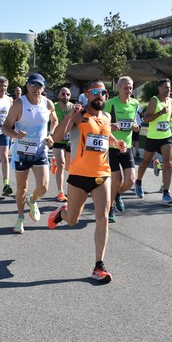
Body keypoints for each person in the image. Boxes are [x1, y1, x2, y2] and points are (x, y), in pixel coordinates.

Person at [47, 80, 127, 283]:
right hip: (78, 176)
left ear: (106, 96)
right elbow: (57, 136)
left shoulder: (107, 117)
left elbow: (104, 136)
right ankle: (62, 213)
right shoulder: (79, 115)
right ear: (86, 94)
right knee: (72, 220)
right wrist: (70, 117)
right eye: (95, 91)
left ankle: (98, 266)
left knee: (103, 217)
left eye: (103, 92)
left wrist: (116, 142)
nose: (99, 95)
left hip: (102, 174)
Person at [1, 73, 58, 234]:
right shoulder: (19, 104)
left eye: (39, 86)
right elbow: (5, 127)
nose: (36, 88)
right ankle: (20, 218)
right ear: (27, 86)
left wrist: (50, 135)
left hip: (40, 151)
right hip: (21, 152)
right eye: (33, 85)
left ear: (44, 88)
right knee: (21, 188)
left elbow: (55, 120)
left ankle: (32, 201)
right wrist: (15, 135)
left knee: (44, 186)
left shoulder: (48, 104)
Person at [104, 76, 140, 223]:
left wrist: (135, 126)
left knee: (131, 180)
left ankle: (116, 194)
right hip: (112, 147)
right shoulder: (109, 104)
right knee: (116, 179)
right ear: (118, 88)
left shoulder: (135, 104)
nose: (129, 90)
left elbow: (133, 120)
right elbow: (100, 123)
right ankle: (110, 207)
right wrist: (109, 126)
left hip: (127, 147)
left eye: (131, 87)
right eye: (125, 88)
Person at [134, 78, 172, 205]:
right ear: (159, 88)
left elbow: (169, 116)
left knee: (168, 164)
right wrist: (160, 113)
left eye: (169, 87)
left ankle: (166, 193)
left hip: (166, 136)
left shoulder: (170, 101)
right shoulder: (154, 100)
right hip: (153, 137)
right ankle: (138, 182)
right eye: (165, 87)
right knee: (146, 162)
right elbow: (146, 119)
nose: (168, 90)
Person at [51, 87, 73, 202]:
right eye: (63, 94)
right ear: (59, 95)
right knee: (62, 164)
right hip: (57, 140)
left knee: (69, 167)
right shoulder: (54, 107)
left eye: (68, 94)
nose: (66, 96)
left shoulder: (73, 108)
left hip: (69, 141)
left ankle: (54, 161)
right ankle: (60, 192)